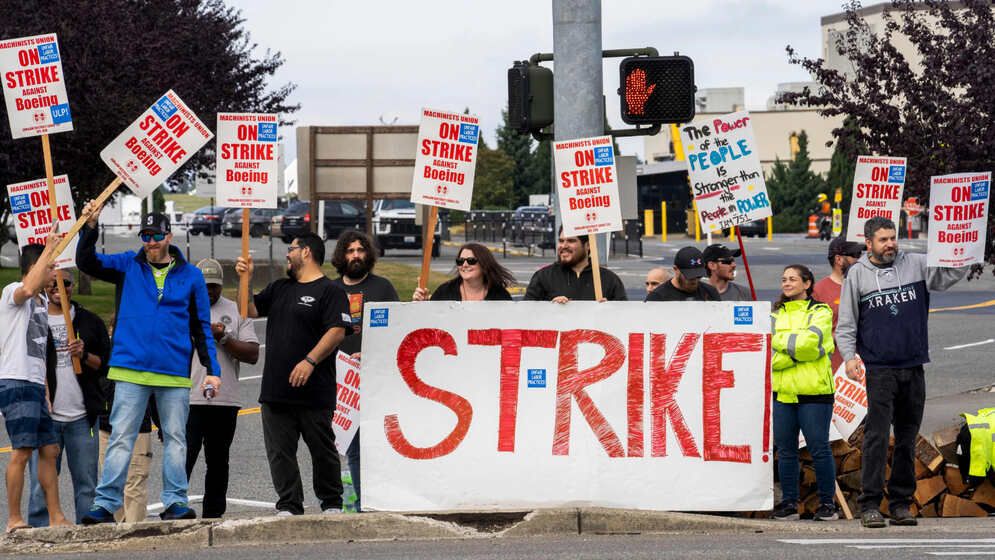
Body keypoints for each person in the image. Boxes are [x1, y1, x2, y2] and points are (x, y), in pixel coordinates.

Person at [76, 207, 222, 524]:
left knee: (175, 439)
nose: (151, 242)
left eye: (156, 235)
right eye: (145, 236)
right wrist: (89, 227)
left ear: (169, 235)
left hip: (173, 373)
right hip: (130, 369)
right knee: (121, 438)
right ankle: (104, 504)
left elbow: (201, 328)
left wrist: (213, 371)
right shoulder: (128, 265)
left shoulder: (191, 276)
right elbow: (86, 262)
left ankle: (175, 502)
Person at [837, 217, 967, 528]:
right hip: (879, 369)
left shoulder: (916, 264)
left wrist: (963, 254)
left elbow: (946, 277)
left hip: (913, 365)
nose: (890, 244)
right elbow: (846, 324)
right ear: (868, 243)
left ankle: (900, 504)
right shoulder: (858, 275)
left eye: (892, 238)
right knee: (877, 438)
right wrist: (850, 357)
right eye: (883, 240)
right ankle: (869, 503)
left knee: (908, 440)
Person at [236, 233, 353, 516]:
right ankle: (289, 504)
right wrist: (246, 279)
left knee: (322, 449)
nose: (287, 254)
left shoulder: (331, 291)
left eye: (291, 249)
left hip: (315, 391)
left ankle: (332, 503)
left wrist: (309, 361)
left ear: (307, 252)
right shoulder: (279, 288)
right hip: (277, 390)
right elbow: (247, 310)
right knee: (280, 452)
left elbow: (337, 330)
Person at [27, 272, 111, 526]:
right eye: (52, 282)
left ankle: (87, 533)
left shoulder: (89, 322)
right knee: (40, 484)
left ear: (72, 286)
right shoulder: (33, 321)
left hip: (82, 418)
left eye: (65, 283)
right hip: (45, 418)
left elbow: (105, 366)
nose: (58, 288)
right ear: (44, 286)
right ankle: (39, 532)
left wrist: (84, 355)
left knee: (87, 483)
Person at [0, 239, 72, 532]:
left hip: (33, 384)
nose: (54, 272)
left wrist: (45, 389)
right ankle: (14, 519)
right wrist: (47, 249)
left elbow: (39, 351)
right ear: (34, 268)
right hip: (15, 381)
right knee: (23, 449)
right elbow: (27, 288)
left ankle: (56, 516)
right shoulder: (12, 293)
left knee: (49, 449)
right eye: (50, 266)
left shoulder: (42, 304)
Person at [330, 230, 399, 511]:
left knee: (383, 446)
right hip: (341, 382)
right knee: (353, 448)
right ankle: (362, 506)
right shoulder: (330, 290)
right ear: (341, 256)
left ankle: (387, 502)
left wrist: (372, 353)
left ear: (368, 254)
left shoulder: (383, 288)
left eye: (360, 250)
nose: (355, 255)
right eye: (350, 251)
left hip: (378, 378)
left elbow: (399, 330)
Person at [185, 259, 259, 519]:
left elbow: (252, 354)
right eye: (204, 287)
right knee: (182, 459)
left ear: (221, 285)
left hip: (225, 400)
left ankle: (213, 515)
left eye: (214, 287)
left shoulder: (236, 310)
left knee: (218, 462)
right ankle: (175, 508)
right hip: (189, 397)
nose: (209, 292)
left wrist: (224, 338)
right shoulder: (182, 308)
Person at [769, 265, 838, 522]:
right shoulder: (775, 314)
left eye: (792, 279)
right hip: (783, 393)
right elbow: (769, 354)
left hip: (814, 393)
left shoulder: (821, 311)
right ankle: (789, 503)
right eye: (783, 279)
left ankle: (827, 504)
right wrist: (794, 354)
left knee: (819, 449)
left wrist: (783, 349)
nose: (786, 283)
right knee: (785, 451)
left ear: (807, 283)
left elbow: (813, 345)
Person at [524, 231, 627, 302]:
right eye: (561, 241)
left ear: (587, 245)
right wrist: (550, 309)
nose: (564, 246)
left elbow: (624, 317)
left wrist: (611, 309)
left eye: (571, 241)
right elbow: (526, 316)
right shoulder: (543, 277)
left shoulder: (609, 280)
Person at [811, 237, 864, 372]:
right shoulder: (819, 291)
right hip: (834, 368)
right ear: (839, 260)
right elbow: (812, 332)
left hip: (869, 365)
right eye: (856, 255)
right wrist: (845, 337)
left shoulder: (867, 285)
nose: (861, 259)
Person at [413, 243, 514, 301]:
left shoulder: (500, 295)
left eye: (471, 261)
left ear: (484, 264)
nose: (464, 265)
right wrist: (423, 305)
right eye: (460, 261)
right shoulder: (445, 291)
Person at [645, 247, 720, 302]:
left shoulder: (710, 292)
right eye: (690, 276)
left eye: (698, 276)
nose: (695, 280)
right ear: (676, 270)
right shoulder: (657, 297)